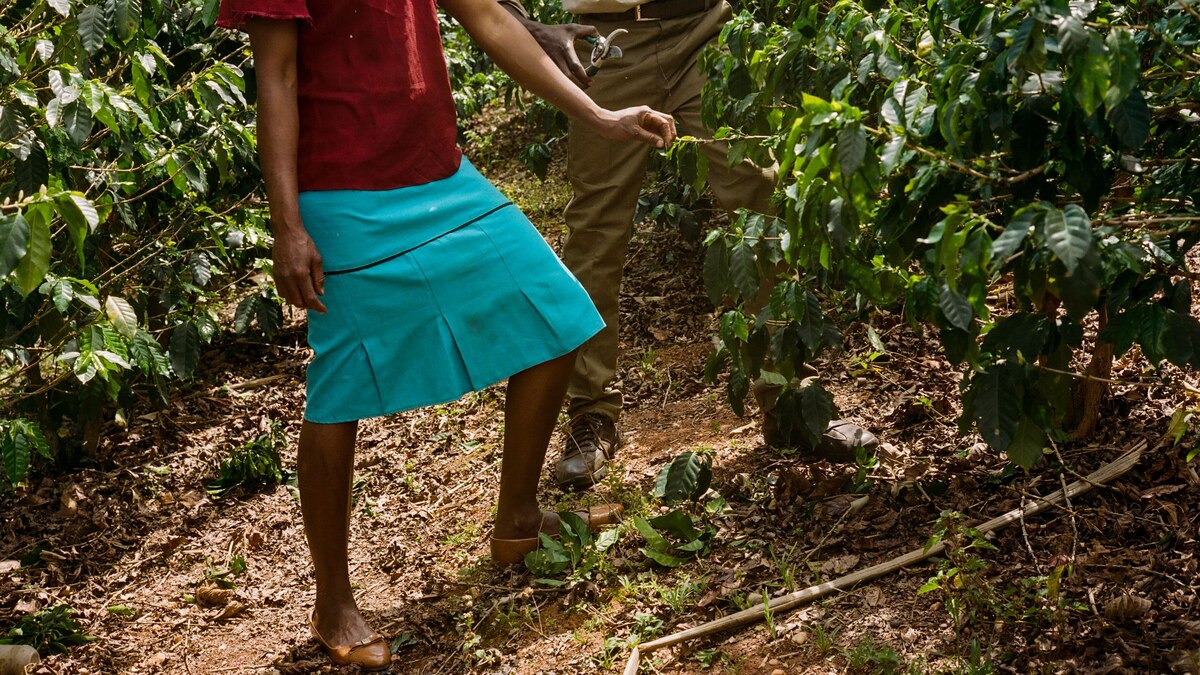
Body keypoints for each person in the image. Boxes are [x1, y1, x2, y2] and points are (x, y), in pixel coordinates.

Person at [215, 0, 676, 669]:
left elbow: (488, 17)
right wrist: (288, 225)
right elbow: (277, 77)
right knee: (340, 387)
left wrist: (598, 114)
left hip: (437, 171)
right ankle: (333, 599)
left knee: (556, 312)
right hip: (341, 188)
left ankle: (517, 518)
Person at [497, 0, 879, 491]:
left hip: (706, 27)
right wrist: (523, 23)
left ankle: (789, 398)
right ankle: (591, 416)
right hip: (610, 41)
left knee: (758, 198)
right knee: (597, 229)